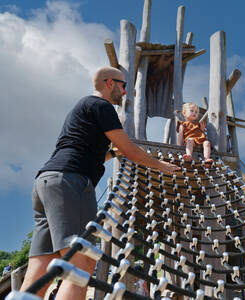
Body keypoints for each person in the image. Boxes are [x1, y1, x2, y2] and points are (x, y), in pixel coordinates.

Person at [20, 66, 180, 300]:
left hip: (47, 181)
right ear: (109, 83)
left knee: (40, 268)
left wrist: (113, 154)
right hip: (71, 182)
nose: (125, 92)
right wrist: (163, 166)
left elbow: (92, 151)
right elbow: (131, 150)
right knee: (80, 265)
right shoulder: (101, 106)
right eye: (124, 86)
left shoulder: (83, 107)